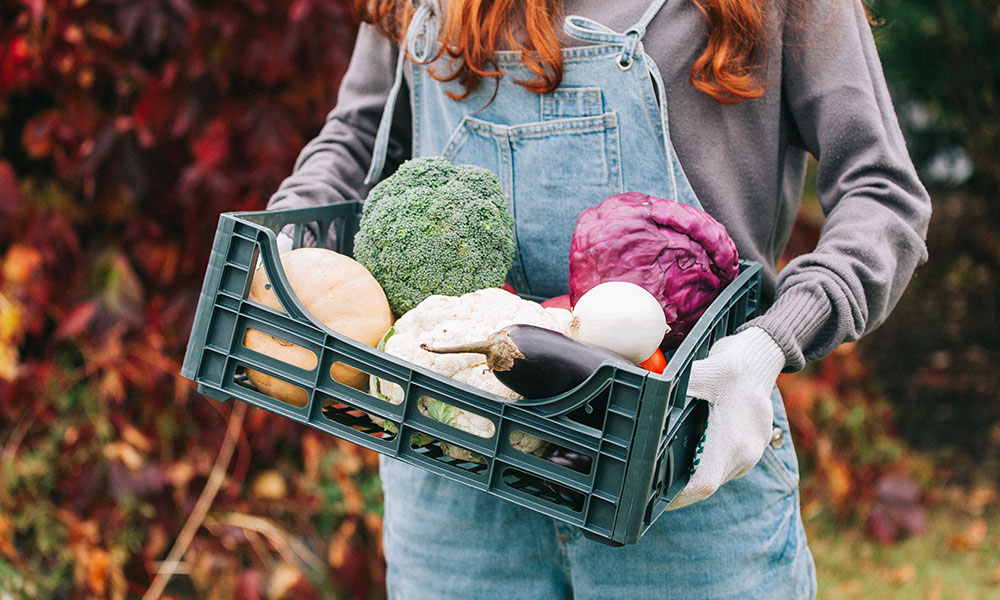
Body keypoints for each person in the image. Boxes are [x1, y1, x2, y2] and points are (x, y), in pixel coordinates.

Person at [268, 0, 931, 597]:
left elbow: (882, 195)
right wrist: (284, 260)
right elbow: (355, 139)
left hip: (681, 469)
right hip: (454, 473)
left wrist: (768, 346)